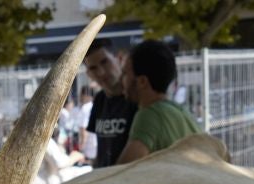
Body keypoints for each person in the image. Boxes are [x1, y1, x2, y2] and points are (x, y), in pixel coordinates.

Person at [116, 39, 203, 163]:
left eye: (124, 73)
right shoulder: (180, 111)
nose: (120, 79)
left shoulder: (149, 114)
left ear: (142, 82)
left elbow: (122, 174)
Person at [83, 38, 138, 168]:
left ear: (119, 58)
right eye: (93, 68)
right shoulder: (99, 100)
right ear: (89, 74)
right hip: (105, 180)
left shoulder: (137, 98)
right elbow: (101, 147)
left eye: (105, 62)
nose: (101, 72)